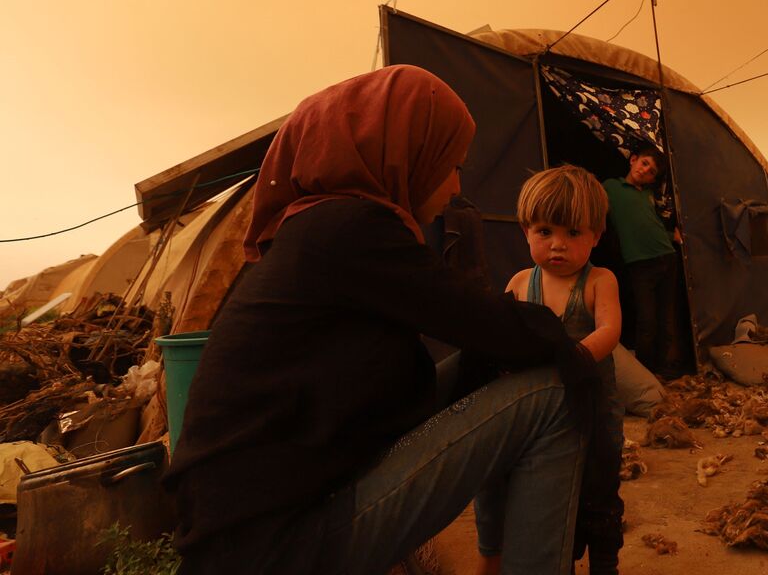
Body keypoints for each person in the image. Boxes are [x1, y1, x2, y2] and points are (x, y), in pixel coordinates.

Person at [163, 65, 598, 575]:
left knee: (501, 361)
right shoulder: (348, 228)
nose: (457, 186)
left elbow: (473, 338)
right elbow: (483, 318)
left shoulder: (317, 229)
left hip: (254, 534)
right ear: (405, 152)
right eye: (451, 164)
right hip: (279, 549)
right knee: (553, 390)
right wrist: (574, 353)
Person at [474, 165, 625, 575]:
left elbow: (609, 330)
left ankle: (605, 563)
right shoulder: (522, 281)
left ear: (596, 235)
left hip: (591, 405)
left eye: (573, 233)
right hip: (540, 405)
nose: (558, 245)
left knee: (598, 484)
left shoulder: (599, 280)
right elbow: (505, 330)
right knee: (551, 491)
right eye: (545, 232)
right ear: (526, 231)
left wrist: (574, 358)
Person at [602, 144, 683, 379]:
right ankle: (645, 374)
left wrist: (672, 236)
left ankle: (668, 373)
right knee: (647, 320)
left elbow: (652, 225)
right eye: (645, 164)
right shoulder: (611, 187)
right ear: (633, 160)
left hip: (667, 257)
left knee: (668, 319)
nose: (646, 171)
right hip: (639, 264)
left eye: (651, 172)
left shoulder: (648, 196)